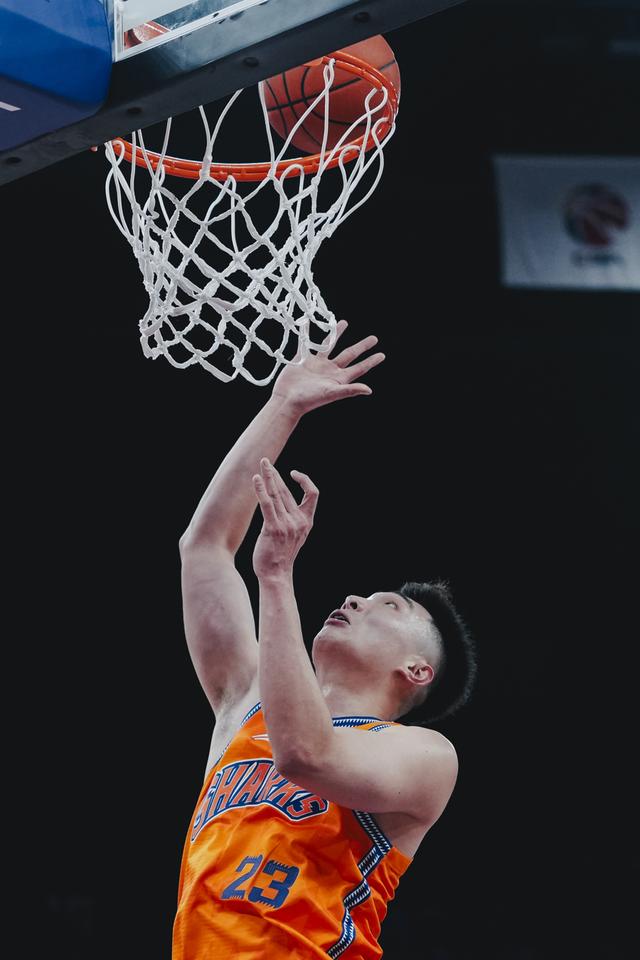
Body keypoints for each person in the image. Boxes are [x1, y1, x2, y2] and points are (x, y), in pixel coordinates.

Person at [173, 320, 477, 959]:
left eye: (388, 606)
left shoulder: (423, 756)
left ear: (417, 670)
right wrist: (282, 408)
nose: (356, 599)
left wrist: (276, 576)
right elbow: (204, 550)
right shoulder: (245, 704)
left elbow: (305, 756)